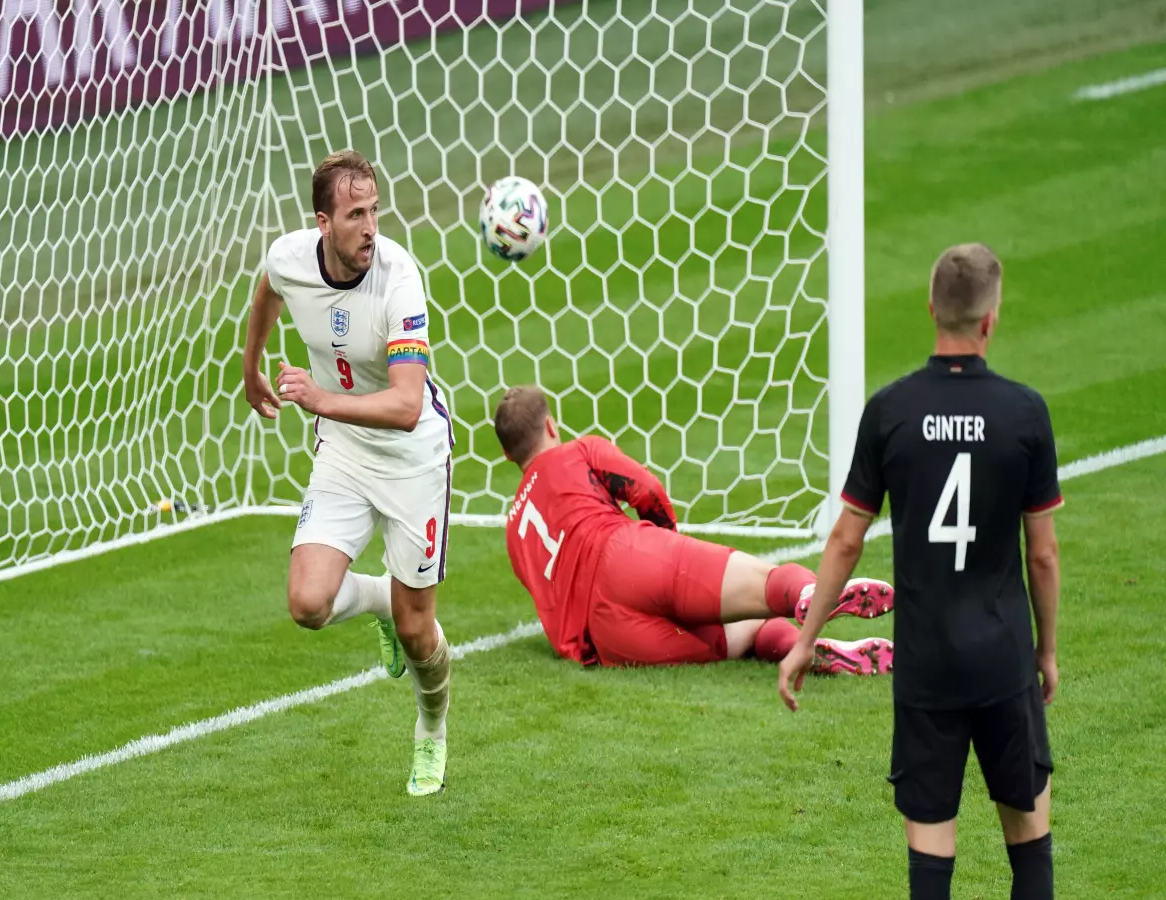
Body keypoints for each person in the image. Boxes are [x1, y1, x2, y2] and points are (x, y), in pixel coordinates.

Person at [778, 243, 1062, 900]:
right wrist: (1045, 651)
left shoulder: (891, 411)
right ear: (991, 319)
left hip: (926, 665)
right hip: (1002, 660)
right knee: (1028, 839)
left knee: (932, 852)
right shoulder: (1025, 413)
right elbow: (1042, 555)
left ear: (931, 306)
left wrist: (805, 640)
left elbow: (846, 540)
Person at [241, 150, 455, 797]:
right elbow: (266, 291)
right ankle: (376, 603)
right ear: (323, 222)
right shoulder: (290, 258)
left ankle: (431, 731)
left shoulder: (399, 279)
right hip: (343, 453)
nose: (370, 227)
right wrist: (250, 365)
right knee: (307, 603)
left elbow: (406, 403)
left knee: (420, 631)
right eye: (356, 214)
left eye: (375, 211)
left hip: (413, 459)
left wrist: (319, 400)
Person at [493, 385, 896, 673]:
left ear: (508, 453)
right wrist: (664, 539)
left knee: (731, 638)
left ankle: (805, 650)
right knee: (762, 587)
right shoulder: (576, 451)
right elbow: (645, 489)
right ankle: (809, 593)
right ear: (550, 426)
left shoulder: (514, 533)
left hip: (605, 638)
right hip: (625, 555)